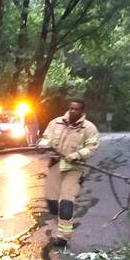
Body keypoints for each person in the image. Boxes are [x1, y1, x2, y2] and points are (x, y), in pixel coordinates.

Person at [38, 98, 99, 248]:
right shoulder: (55, 123)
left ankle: (63, 237)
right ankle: (57, 214)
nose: (73, 111)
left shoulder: (89, 128)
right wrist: (43, 145)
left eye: (76, 109)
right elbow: (46, 138)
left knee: (66, 202)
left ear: (82, 111)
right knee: (52, 203)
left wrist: (77, 155)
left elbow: (91, 148)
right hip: (55, 165)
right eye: (71, 108)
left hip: (73, 169)